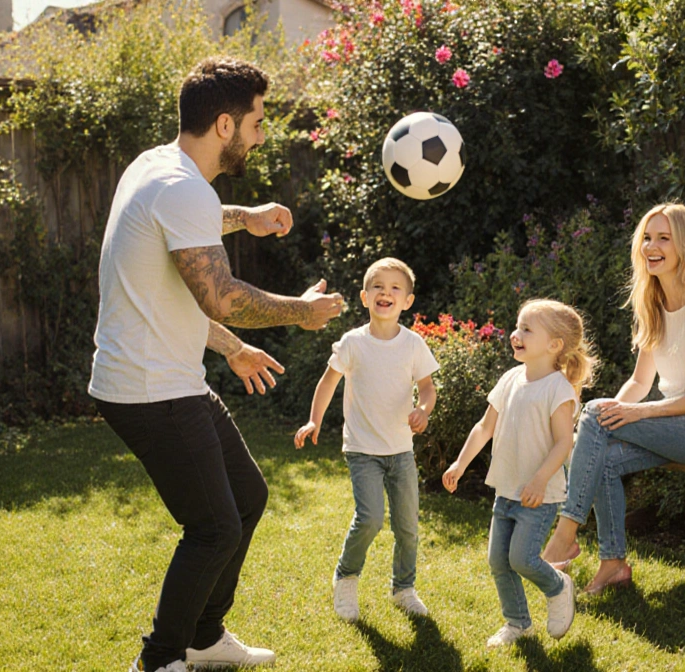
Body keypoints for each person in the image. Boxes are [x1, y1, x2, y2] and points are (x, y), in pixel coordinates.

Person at [88, 56, 345, 672]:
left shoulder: (156, 167)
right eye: (256, 123)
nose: (261, 136)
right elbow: (221, 297)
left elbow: (180, 244)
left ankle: (203, 638)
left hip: (169, 379)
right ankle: (159, 660)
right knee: (213, 528)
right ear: (225, 125)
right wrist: (301, 313)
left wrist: (245, 221)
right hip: (150, 391)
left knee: (247, 497)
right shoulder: (182, 188)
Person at [540, 202, 685, 596]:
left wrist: (632, 413)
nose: (651, 247)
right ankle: (613, 564)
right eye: (647, 238)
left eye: (664, 239)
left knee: (595, 415)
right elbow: (639, 382)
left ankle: (565, 533)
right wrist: (612, 416)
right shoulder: (653, 302)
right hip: (677, 425)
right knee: (601, 447)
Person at [441, 299, 596, 647]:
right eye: (517, 326)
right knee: (499, 561)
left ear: (554, 345)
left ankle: (557, 586)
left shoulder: (558, 389)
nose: (516, 334)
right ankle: (518, 623)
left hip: (539, 495)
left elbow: (563, 442)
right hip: (506, 490)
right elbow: (485, 427)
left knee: (522, 559)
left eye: (527, 329)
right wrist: (460, 464)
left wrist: (539, 480)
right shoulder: (510, 378)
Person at [294, 258, 439, 623]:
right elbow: (328, 382)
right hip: (362, 450)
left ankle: (404, 588)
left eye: (395, 288)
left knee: (407, 526)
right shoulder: (353, 343)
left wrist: (423, 409)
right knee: (371, 518)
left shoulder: (413, 344)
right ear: (364, 297)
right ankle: (346, 577)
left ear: (407, 301)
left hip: (401, 451)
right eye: (378, 286)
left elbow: (427, 387)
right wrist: (314, 420)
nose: (385, 293)